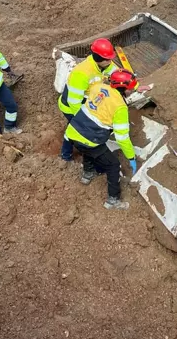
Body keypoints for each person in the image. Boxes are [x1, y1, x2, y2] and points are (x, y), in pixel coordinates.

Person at [58, 38, 150, 163]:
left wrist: (136, 87)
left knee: (78, 130)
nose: (110, 61)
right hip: (70, 106)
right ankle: (66, 155)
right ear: (98, 58)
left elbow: (120, 76)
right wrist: (83, 120)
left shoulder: (105, 64)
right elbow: (73, 102)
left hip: (87, 100)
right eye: (108, 59)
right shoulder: (81, 73)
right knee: (76, 129)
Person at [64, 69, 138, 210]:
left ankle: (88, 173)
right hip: (90, 139)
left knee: (88, 150)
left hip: (73, 132)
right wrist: (131, 157)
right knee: (113, 165)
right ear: (124, 89)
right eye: (131, 88)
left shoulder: (98, 87)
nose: (132, 91)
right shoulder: (121, 107)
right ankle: (113, 200)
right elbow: (122, 138)